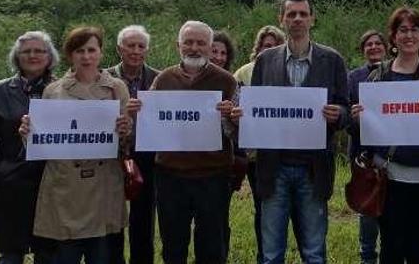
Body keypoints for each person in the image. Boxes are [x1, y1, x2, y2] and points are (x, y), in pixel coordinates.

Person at [350, 6, 419, 264]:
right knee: (390, 248)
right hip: (387, 178)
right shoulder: (377, 77)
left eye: (415, 30)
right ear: (393, 37)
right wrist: (357, 119)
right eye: (403, 30)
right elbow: (363, 133)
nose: (409, 35)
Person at [18, 26, 134, 264]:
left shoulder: (116, 88)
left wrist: (125, 131)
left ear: (101, 53)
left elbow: (126, 143)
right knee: (64, 255)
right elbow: (43, 142)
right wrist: (27, 133)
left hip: (102, 187)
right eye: (79, 51)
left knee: (102, 255)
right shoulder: (53, 91)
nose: (86, 56)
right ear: (70, 55)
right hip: (66, 189)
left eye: (92, 50)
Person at [250, 0, 349, 264]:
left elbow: (347, 108)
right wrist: (243, 116)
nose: (297, 19)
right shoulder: (265, 60)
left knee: (314, 252)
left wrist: (337, 114)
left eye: (303, 14)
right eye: (291, 14)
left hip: (313, 169)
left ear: (312, 19)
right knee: (271, 253)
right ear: (281, 19)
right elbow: (255, 107)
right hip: (274, 167)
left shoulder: (332, 60)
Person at [150, 21, 240, 264]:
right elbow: (150, 126)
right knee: (172, 245)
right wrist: (138, 112)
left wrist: (232, 117)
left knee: (212, 245)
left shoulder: (227, 81)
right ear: (178, 45)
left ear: (211, 48)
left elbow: (239, 134)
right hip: (170, 175)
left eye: (201, 43)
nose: (194, 48)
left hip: (213, 176)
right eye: (188, 42)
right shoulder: (162, 80)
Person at [0, 31, 60, 264]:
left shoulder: (63, 90)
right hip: (12, 183)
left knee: (48, 253)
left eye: (39, 50)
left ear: (49, 57)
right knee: (11, 253)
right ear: (16, 57)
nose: (33, 55)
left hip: (51, 183)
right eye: (26, 51)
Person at [232, 25, 287, 263]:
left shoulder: (291, 71)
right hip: (257, 155)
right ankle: (263, 255)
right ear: (259, 47)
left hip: (287, 153)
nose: (270, 49)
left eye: (275, 45)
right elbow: (234, 107)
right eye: (266, 45)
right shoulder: (244, 73)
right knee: (262, 207)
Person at [106, 25, 161, 264]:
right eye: (130, 45)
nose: (136, 51)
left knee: (143, 221)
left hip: (147, 156)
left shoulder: (159, 78)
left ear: (147, 50)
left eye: (141, 46)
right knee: (112, 220)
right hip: (111, 156)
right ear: (120, 49)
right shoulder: (103, 78)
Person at [347, 29, 388, 264]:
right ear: (363, 50)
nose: (373, 48)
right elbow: (346, 118)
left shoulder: (398, 74)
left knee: (391, 210)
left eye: (377, 44)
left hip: (393, 154)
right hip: (364, 154)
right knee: (368, 209)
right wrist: (353, 117)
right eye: (368, 45)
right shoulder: (353, 77)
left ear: (386, 47)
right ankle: (367, 257)